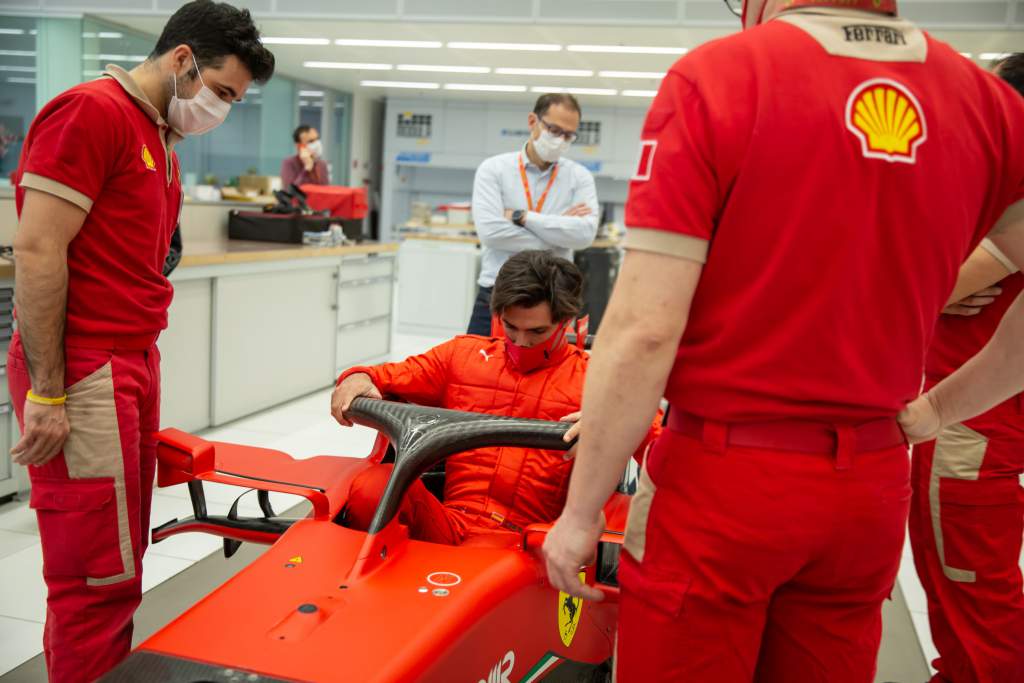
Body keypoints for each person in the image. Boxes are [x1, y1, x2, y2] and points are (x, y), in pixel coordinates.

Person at [539, 1, 1024, 682]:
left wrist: (581, 510)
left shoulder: (722, 77)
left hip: (723, 481)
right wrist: (943, 408)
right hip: (869, 486)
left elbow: (645, 329)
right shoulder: (989, 105)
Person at [7, 2, 274, 680]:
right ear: (182, 59)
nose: (222, 109)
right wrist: (46, 388)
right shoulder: (90, 112)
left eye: (234, 100)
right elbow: (39, 250)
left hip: (131, 359)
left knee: (119, 565)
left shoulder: (157, 136)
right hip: (86, 367)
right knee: (96, 579)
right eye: (221, 92)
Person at [331, 251, 659, 545]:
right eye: (511, 326)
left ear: (566, 321)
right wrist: (356, 377)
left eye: (537, 332)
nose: (520, 341)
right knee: (369, 487)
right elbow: (379, 376)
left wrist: (615, 427)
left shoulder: (602, 380)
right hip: (449, 527)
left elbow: (664, 454)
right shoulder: (461, 356)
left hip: (538, 546)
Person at [906, 53, 1024, 683]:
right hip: (965, 416)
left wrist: (939, 283)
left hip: (974, 422)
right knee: (946, 571)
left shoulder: (1014, 190)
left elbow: (915, 288)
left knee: (971, 581)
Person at [467, 94, 599, 336]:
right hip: (497, 293)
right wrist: (559, 231)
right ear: (532, 122)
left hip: (554, 298)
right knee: (476, 370)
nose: (560, 140)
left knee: (546, 373)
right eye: (554, 129)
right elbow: (491, 233)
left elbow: (584, 235)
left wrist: (524, 218)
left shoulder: (579, 177)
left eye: (568, 135)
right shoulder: (494, 170)